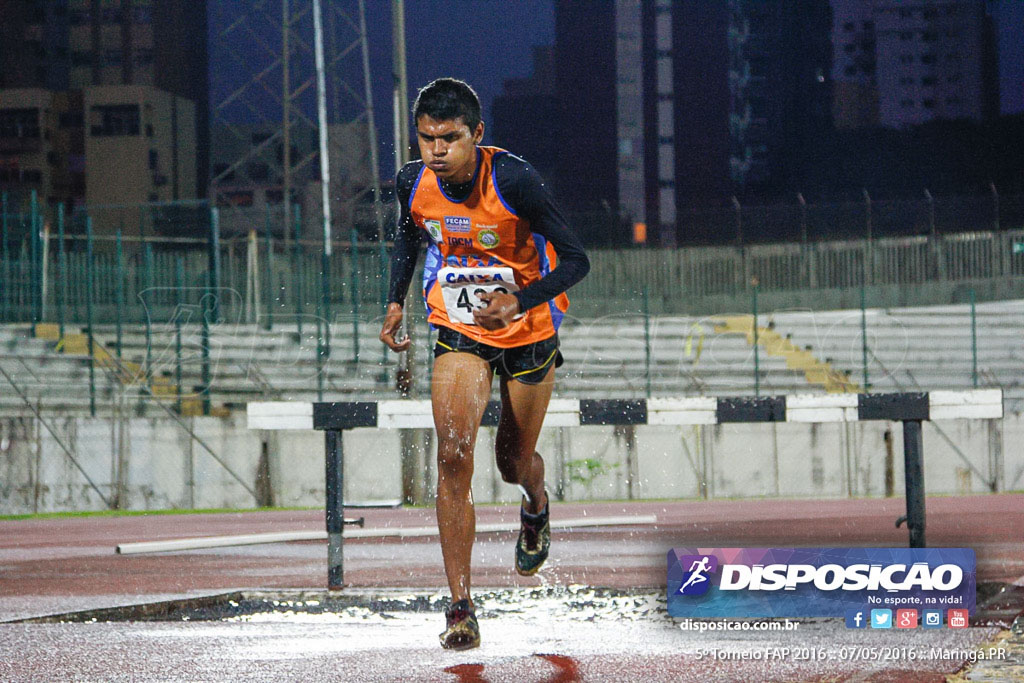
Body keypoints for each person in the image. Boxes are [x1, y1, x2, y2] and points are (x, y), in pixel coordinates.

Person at [379, 77, 590, 650]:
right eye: (426, 140)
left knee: (511, 461)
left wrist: (518, 300)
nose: (436, 151)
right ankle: (460, 608)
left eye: (448, 139)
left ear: (477, 134)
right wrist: (397, 300)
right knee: (452, 453)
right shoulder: (412, 181)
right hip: (460, 327)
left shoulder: (516, 180)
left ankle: (537, 503)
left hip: (527, 330)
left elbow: (577, 261)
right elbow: (408, 237)